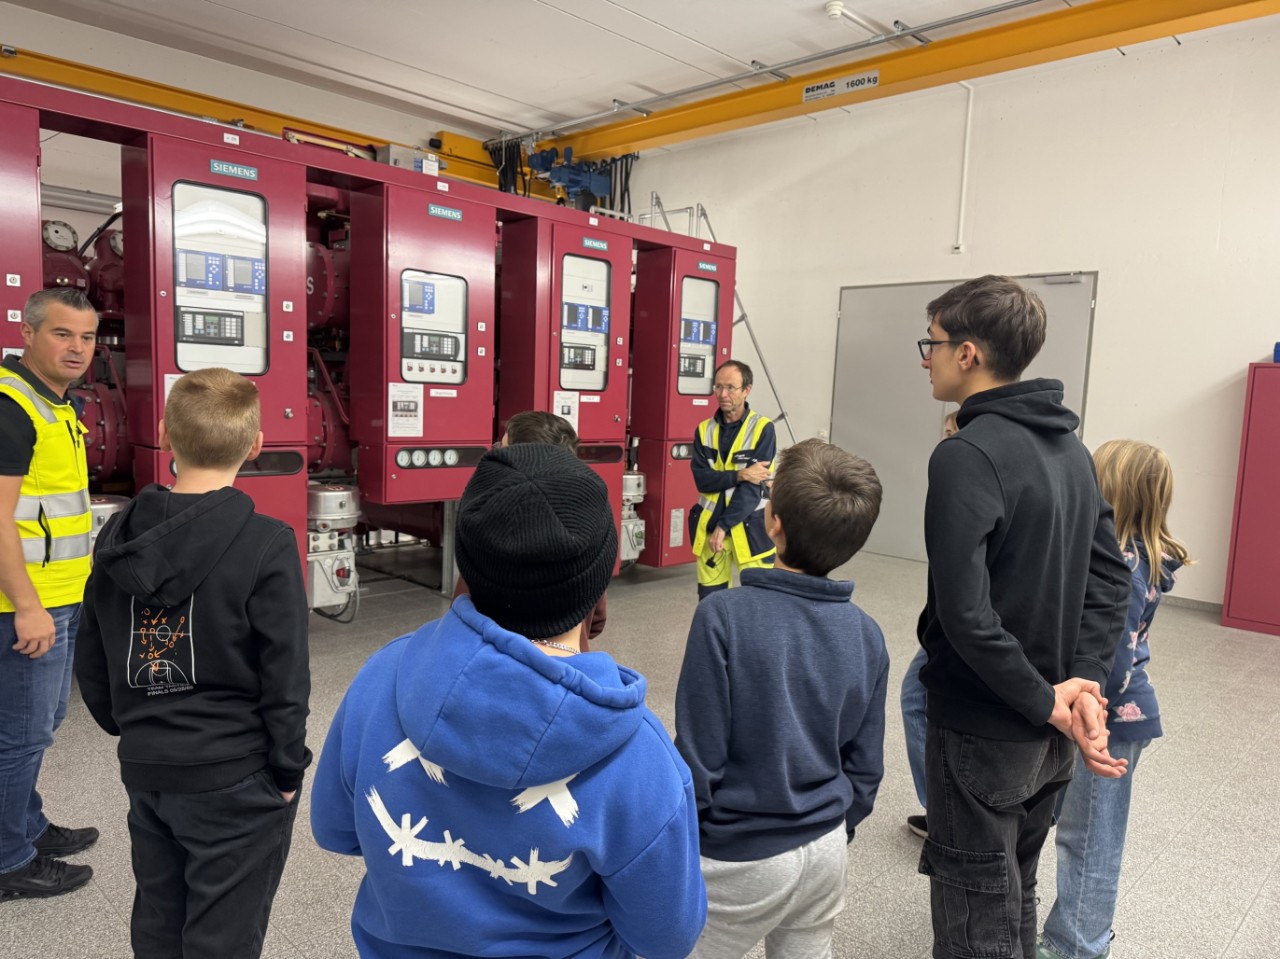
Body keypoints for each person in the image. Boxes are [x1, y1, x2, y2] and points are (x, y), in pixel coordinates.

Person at [311, 443, 705, 959]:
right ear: (599, 585)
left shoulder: (381, 678)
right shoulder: (641, 760)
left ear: (464, 574)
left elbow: (335, 830)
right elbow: (666, 935)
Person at [913, 275, 1132, 959]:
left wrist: (1051, 700)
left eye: (935, 343)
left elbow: (964, 615)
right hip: (1050, 737)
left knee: (976, 918)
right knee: (1015, 892)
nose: (927, 356)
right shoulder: (1071, 450)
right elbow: (1111, 578)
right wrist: (1082, 684)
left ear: (970, 353)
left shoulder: (965, 455)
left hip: (988, 730)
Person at [74, 367, 310, 958]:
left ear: (164, 434)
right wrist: (286, 768)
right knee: (224, 930)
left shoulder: (116, 539)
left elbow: (93, 647)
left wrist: (132, 726)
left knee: (159, 912)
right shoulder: (267, 543)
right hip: (235, 771)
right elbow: (285, 673)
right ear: (256, 446)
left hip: (149, 764)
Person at [676, 438, 888, 958]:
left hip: (739, 854)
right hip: (826, 849)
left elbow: (699, 758)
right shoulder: (868, 633)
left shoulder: (722, 616)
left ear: (773, 525)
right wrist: (836, 824)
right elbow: (865, 766)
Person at [1038, 440, 1192, 959]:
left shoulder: (1125, 567)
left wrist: (1085, 703)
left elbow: (1113, 659)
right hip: (1108, 718)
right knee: (1077, 826)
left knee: (1089, 840)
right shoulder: (1137, 557)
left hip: (1109, 722)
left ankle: (1076, 944)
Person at [0, 288, 100, 901]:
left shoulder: (56, 404)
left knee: (37, 724)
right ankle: (10, 861)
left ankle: (27, 825)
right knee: (23, 733)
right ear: (30, 334)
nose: (77, 348)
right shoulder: (12, 407)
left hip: (58, 595)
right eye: (63, 334)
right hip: (25, 604)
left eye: (87, 337)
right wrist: (30, 606)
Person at [453, 410, 606, 649]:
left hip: (484, 660)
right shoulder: (584, 526)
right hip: (567, 661)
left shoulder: (485, 529)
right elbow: (597, 621)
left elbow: (460, 606)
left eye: (502, 448)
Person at [901, 410, 959, 840]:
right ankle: (944, 811)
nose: (945, 441)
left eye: (950, 432)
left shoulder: (964, 477)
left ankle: (944, 814)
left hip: (957, 624)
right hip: (946, 620)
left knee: (915, 698)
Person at [690, 360, 775, 600]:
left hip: (751, 532)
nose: (723, 394)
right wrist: (740, 474)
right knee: (710, 604)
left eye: (730, 387)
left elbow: (752, 489)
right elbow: (702, 480)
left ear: (747, 390)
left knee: (759, 606)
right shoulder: (704, 430)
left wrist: (723, 526)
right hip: (710, 535)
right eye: (718, 387)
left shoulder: (762, 429)